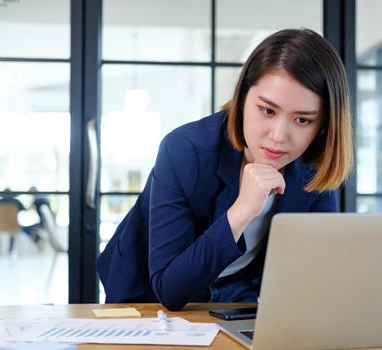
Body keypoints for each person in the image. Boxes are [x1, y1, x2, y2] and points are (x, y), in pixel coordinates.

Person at [96, 28, 353, 311]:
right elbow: (169, 288)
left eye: (303, 120)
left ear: (323, 126)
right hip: (149, 295)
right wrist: (241, 211)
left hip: (239, 296)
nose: (279, 136)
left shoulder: (313, 165)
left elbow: (319, 271)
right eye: (267, 111)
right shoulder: (185, 150)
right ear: (242, 99)